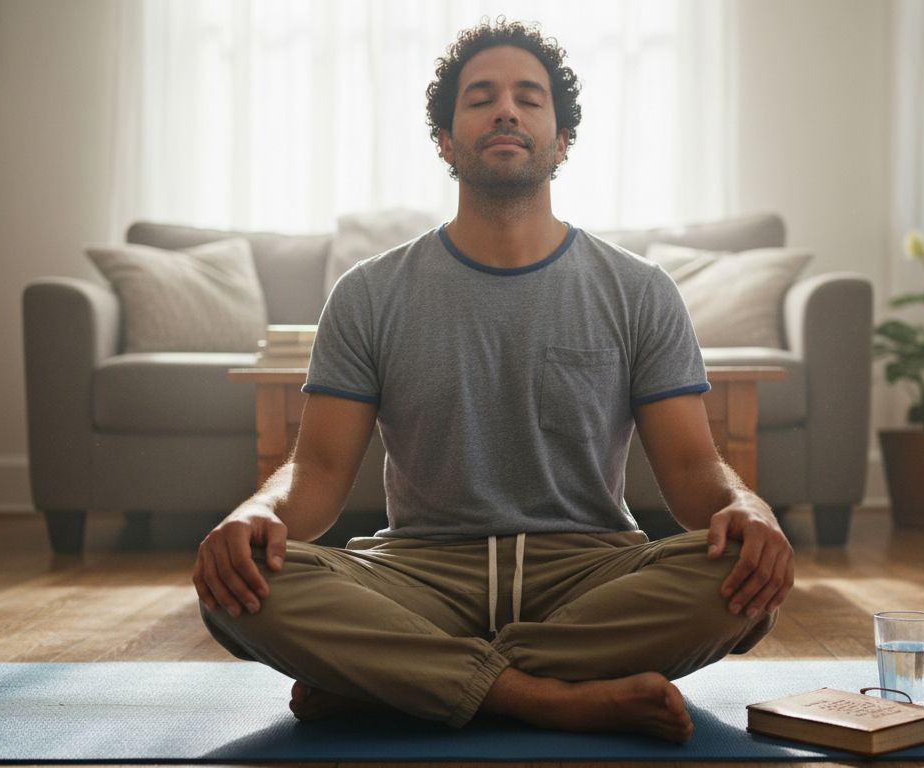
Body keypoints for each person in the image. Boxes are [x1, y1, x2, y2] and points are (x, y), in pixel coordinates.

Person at [193, 18, 793, 744]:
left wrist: (747, 507)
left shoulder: (640, 291)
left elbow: (696, 470)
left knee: (738, 580)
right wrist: (256, 515)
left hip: (591, 570)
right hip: (417, 573)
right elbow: (315, 473)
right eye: (481, 97)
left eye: (528, 97)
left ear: (562, 139)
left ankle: (394, 683)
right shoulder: (367, 293)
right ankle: (546, 696)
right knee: (241, 587)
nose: (506, 109)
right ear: (445, 140)